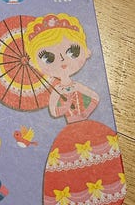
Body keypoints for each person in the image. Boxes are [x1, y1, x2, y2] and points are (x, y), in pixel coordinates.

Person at [25, 14, 126, 205]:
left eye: (72, 51)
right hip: (69, 132)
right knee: (69, 168)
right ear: (35, 63)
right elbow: (54, 111)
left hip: (89, 127)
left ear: (85, 51)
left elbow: (95, 97)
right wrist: (64, 106)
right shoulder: (57, 90)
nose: (62, 61)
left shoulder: (76, 85)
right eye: (48, 58)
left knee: (101, 160)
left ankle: (107, 190)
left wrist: (86, 111)